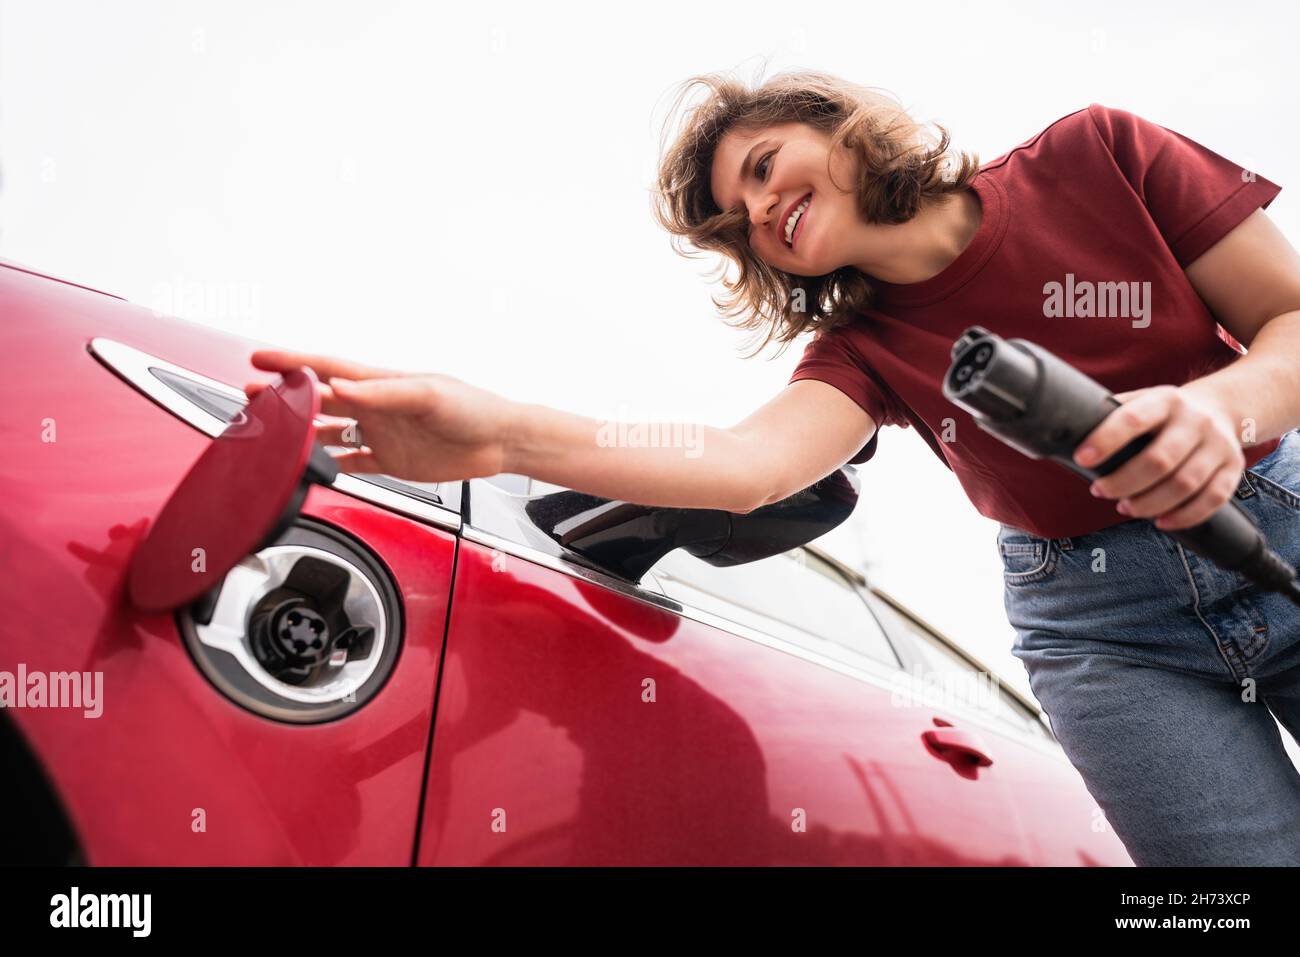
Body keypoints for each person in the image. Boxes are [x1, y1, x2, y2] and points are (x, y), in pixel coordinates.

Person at [245, 70, 1300, 866]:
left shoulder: (1096, 152)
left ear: (838, 120)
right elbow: (743, 463)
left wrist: (1214, 411)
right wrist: (500, 434)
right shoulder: (865, 353)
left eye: (760, 170)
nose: (758, 214)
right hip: (1105, 640)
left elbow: (1289, 321)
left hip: (1278, 517)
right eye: (739, 226)